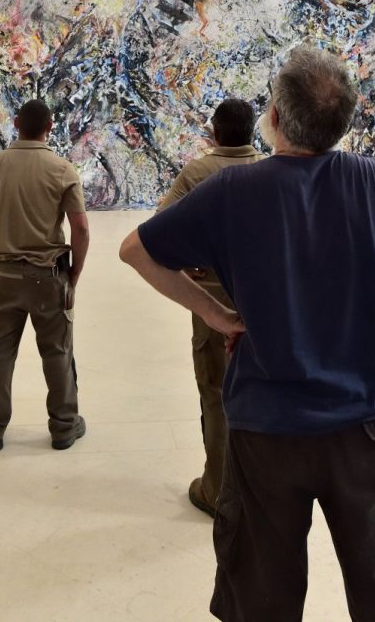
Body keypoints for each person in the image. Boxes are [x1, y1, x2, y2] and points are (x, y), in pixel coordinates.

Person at [120, 45, 375, 622]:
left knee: (261, 603)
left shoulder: (231, 191)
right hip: (366, 428)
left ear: (276, 119)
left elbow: (136, 250)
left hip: (265, 431)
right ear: (344, 122)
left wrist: (216, 314)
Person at [158, 98, 264, 518]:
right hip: (272, 298)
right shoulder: (274, 169)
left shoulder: (198, 172)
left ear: (214, 132)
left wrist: (191, 260)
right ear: (255, 130)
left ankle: (219, 489)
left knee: (218, 394)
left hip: (214, 299)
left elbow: (157, 232)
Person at [0, 98, 90, 452]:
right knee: (57, 353)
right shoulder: (62, 169)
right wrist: (74, 275)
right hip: (48, 277)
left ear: (16, 122)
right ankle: (64, 426)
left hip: (2, 276)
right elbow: (80, 228)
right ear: (50, 126)